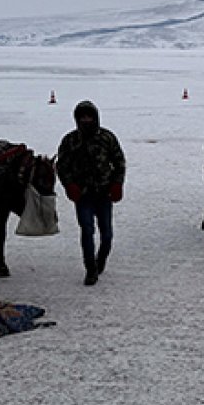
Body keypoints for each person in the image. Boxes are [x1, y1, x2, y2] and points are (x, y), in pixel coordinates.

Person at [56, 100, 126, 285]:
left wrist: (117, 184)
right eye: (82, 117)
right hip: (83, 196)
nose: (86, 120)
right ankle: (90, 269)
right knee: (87, 230)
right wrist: (69, 185)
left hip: (104, 193)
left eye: (89, 117)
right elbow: (62, 166)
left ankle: (100, 258)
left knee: (107, 234)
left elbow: (119, 162)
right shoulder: (70, 140)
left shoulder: (107, 138)